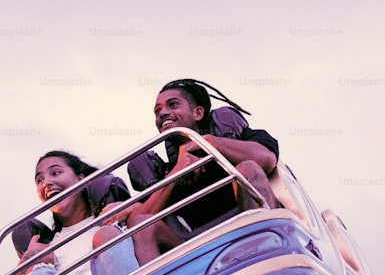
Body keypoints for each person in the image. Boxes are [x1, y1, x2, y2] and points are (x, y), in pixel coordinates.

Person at [117, 78, 281, 263]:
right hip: (199, 257)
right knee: (142, 223)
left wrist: (207, 143)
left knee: (247, 168)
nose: (162, 113)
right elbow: (137, 225)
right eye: (157, 111)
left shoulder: (241, 139)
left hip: (256, 240)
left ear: (198, 113)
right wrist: (177, 172)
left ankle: (269, 256)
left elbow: (266, 160)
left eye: (172, 105)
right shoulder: (165, 173)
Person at [0, 150, 139, 275]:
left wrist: (131, 207)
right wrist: (27, 262)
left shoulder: (113, 216)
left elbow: (157, 229)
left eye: (56, 172)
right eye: (40, 180)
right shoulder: (46, 247)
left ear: (80, 178)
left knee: (106, 235)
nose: (46, 183)